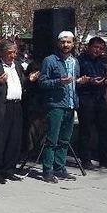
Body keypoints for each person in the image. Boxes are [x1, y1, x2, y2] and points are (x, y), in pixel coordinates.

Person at [0, 40, 38, 183]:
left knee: (14, 139)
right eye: (10, 53)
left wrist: (29, 79)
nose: (13, 56)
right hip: (2, 106)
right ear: (1, 53)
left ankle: (8, 169)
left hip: (17, 105)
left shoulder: (18, 66)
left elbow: (20, 83)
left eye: (14, 52)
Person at [38, 31, 89, 183]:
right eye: (63, 42)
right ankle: (48, 170)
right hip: (55, 105)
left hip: (71, 104)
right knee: (52, 139)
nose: (66, 45)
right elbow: (42, 82)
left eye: (69, 42)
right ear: (58, 43)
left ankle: (60, 167)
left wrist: (79, 81)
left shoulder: (75, 61)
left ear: (73, 43)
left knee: (65, 139)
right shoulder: (50, 60)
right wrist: (59, 82)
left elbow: (73, 82)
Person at [77, 37, 107, 170]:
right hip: (86, 97)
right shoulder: (79, 61)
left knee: (105, 129)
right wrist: (89, 80)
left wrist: (106, 80)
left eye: (101, 48)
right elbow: (76, 79)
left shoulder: (101, 61)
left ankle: (104, 159)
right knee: (86, 130)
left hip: (99, 97)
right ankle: (85, 160)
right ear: (89, 46)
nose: (98, 51)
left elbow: (105, 76)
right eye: (96, 47)